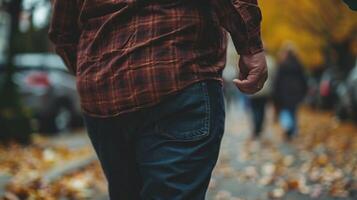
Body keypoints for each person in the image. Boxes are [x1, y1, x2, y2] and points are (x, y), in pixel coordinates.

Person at [48, 0, 267, 199]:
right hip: (178, 72)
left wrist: (95, 73)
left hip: (103, 95)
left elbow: (62, 31)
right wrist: (250, 47)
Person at [273, 47, 307, 141]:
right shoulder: (298, 64)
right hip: (296, 92)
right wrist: (304, 91)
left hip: (284, 92)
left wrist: (275, 94)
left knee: (285, 111)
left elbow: (277, 80)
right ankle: (293, 129)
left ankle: (288, 127)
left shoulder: (282, 65)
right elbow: (303, 79)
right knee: (293, 111)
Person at [248, 55, 276, 139]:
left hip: (254, 89)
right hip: (265, 90)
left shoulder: (252, 60)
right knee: (262, 109)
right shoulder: (271, 61)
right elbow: (273, 76)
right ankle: (259, 128)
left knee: (254, 110)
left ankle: (256, 128)